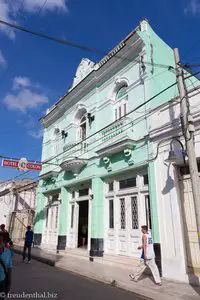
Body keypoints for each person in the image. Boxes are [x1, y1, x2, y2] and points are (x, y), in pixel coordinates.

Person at [0, 232, 12, 299]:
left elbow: (9, 268)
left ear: (4, 242)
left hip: (2, 282)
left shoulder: (8, 252)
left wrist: (9, 284)